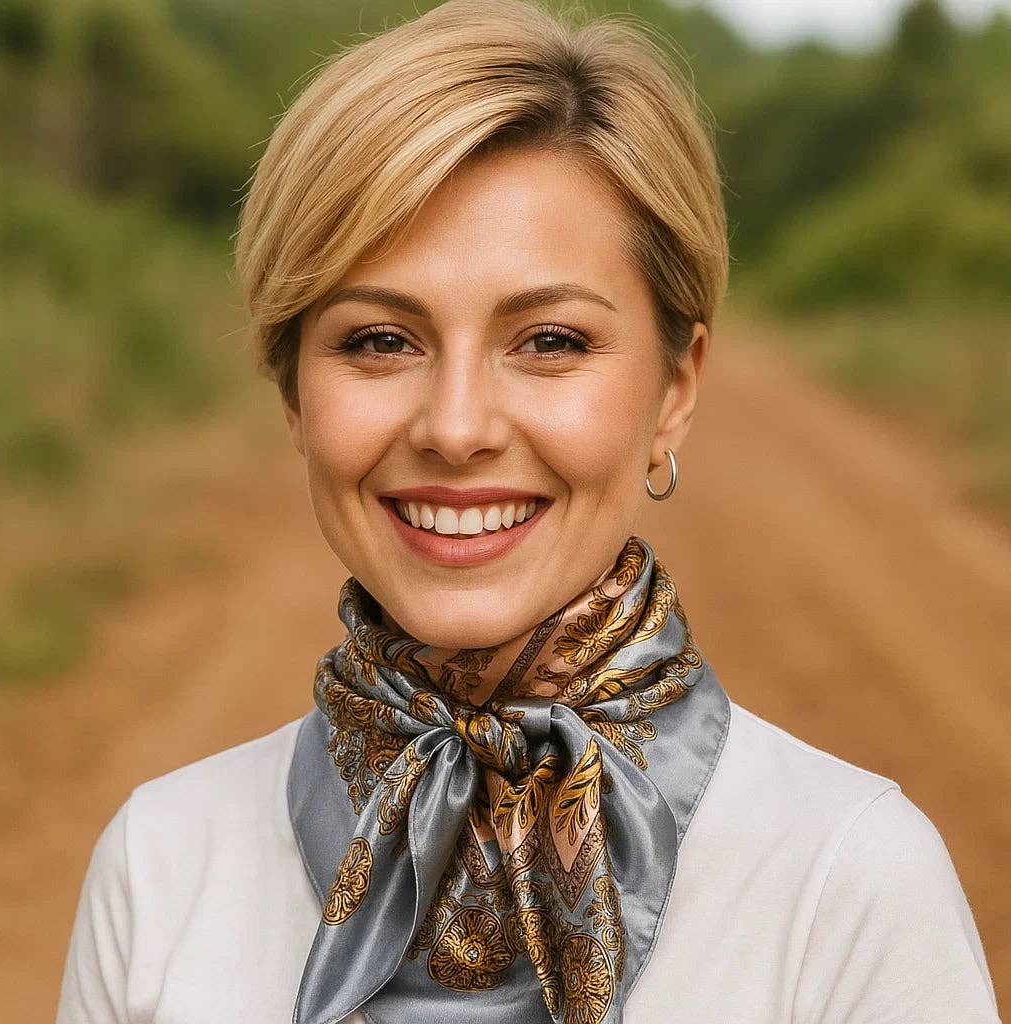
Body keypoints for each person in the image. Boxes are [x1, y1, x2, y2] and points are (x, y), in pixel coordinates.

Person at [56, 1, 1001, 1022]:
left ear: (674, 387)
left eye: (550, 340)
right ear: (294, 394)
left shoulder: (847, 884)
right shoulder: (156, 867)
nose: (456, 427)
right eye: (379, 340)